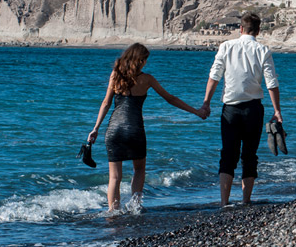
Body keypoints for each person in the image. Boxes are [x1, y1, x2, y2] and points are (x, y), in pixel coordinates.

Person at [88, 43, 205, 211]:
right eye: (144, 60)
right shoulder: (147, 79)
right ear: (138, 60)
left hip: (114, 131)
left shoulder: (116, 74)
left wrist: (95, 128)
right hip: (134, 130)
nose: (145, 63)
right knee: (139, 169)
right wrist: (196, 111)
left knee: (114, 177)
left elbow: (106, 103)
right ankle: (135, 207)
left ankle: (113, 213)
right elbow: (170, 99)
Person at [198, 13, 283, 207]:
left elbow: (215, 77)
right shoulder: (263, 50)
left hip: (230, 110)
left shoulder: (226, 46)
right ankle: (245, 200)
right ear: (258, 30)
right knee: (249, 155)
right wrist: (277, 110)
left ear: (241, 29)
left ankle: (224, 201)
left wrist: (206, 103)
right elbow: (272, 83)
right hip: (254, 109)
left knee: (228, 154)